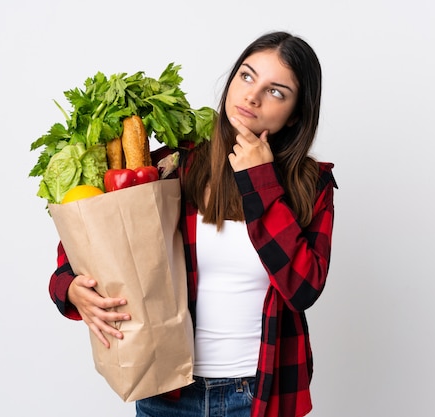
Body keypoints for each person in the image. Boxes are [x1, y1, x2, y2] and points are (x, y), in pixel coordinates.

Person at [49, 31, 337, 417]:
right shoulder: (176, 164)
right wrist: (70, 289)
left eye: (276, 92)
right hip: (166, 390)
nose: (252, 96)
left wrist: (262, 180)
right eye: (247, 77)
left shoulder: (312, 184)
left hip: (258, 394)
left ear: (296, 113)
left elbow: (303, 287)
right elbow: (94, 238)